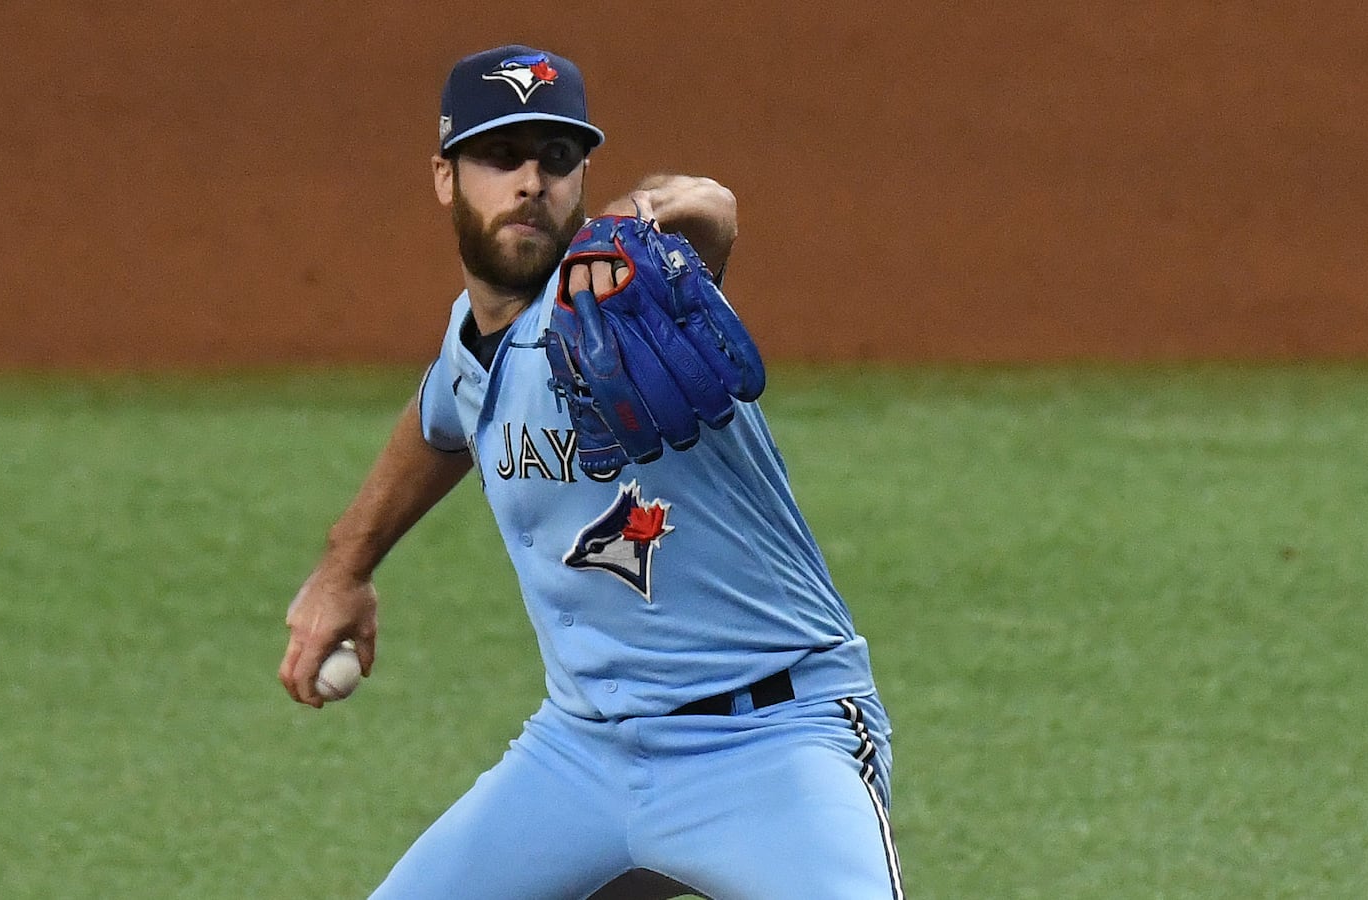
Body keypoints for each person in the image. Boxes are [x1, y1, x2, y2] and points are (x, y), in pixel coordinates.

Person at [277, 44, 903, 900]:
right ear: (444, 178)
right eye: (501, 158)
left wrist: (645, 221)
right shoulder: (470, 344)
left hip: (772, 741)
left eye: (557, 160)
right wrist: (344, 569)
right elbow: (440, 420)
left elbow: (708, 213)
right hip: (582, 755)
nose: (532, 181)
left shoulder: (624, 296)